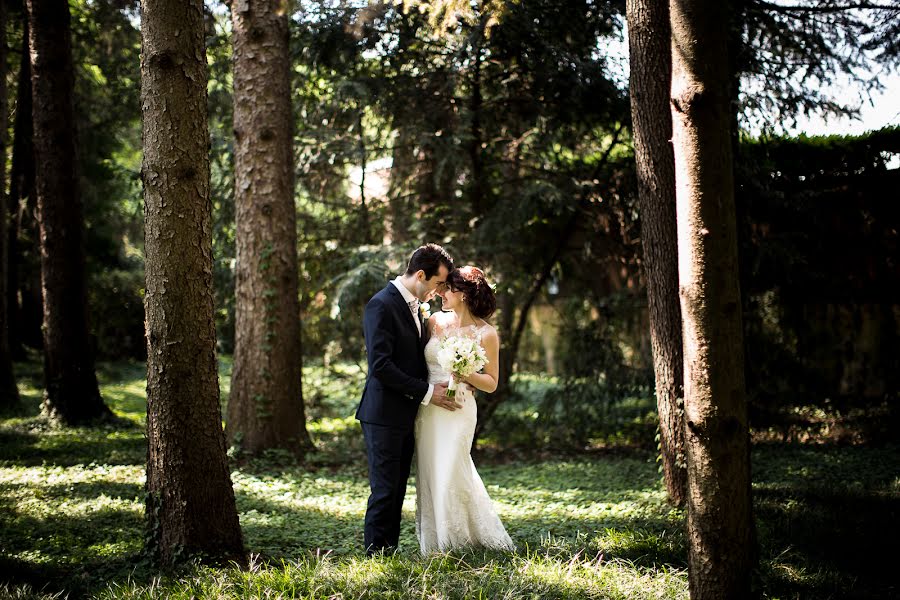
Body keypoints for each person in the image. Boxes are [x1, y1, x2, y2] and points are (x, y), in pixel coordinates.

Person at [356, 243, 462, 556]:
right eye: (437, 283)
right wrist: (429, 392)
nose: (439, 291)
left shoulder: (414, 305)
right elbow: (381, 366)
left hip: (404, 413)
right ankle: (376, 556)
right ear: (419, 274)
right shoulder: (382, 304)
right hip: (383, 414)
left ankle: (387, 551)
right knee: (386, 490)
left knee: (398, 488)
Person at [414, 265, 515, 553]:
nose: (441, 293)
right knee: (431, 472)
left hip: (459, 410)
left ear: (464, 294)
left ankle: (456, 542)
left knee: (451, 469)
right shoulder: (434, 322)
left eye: (448, 289)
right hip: (429, 407)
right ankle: (433, 544)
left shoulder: (487, 334)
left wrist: (462, 371)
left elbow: (492, 382)